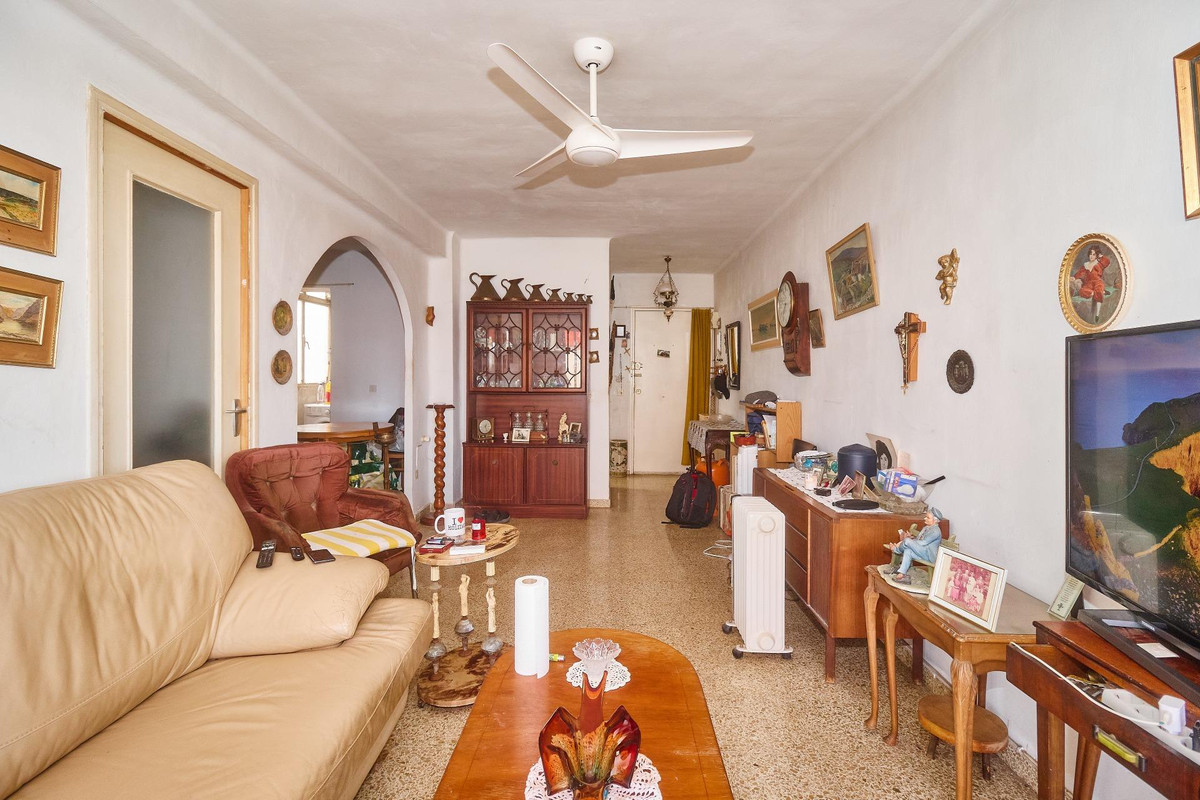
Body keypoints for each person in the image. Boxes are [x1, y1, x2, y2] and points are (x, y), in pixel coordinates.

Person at [882, 507, 944, 584]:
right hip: (922, 551)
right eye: (926, 517)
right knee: (908, 551)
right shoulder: (926, 528)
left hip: (929, 555)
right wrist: (912, 539)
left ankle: (896, 550)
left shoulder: (936, 531)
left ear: (935, 520)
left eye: (928, 517)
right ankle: (902, 574)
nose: (925, 518)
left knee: (907, 541)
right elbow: (919, 540)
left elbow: (923, 542)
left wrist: (908, 542)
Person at [1072, 245, 1109, 323]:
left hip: (1098, 282)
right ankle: (1101, 292)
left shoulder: (1099, 263)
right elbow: (1079, 273)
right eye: (1090, 254)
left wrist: (1101, 256)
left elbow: (1107, 261)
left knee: (1098, 289)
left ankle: (1097, 315)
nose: (1091, 256)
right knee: (1082, 291)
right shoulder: (1085, 265)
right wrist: (1074, 278)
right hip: (1088, 284)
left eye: (1094, 254)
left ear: (1096, 256)